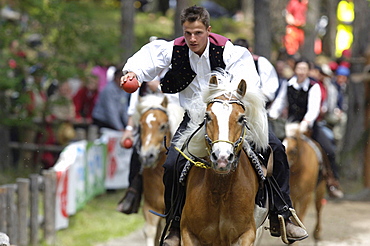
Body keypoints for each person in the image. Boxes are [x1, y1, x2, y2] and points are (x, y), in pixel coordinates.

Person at [120, 6, 308, 245]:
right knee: (170, 166)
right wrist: (132, 73)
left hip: (231, 112)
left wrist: (225, 99)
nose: (192, 39)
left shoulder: (230, 51)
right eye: (187, 33)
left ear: (209, 30)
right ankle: (175, 224)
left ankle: (282, 213)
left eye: (198, 32)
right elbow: (148, 57)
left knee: (277, 149)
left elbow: (247, 83)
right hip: (195, 117)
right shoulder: (175, 49)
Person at [269, 59, 344, 199]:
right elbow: (280, 101)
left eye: (304, 68)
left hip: (308, 126)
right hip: (289, 126)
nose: (301, 71)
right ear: (295, 69)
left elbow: (313, 108)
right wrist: (272, 114)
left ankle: (332, 181)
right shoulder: (288, 84)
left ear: (308, 71)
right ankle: (269, 181)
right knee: (273, 148)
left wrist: (306, 122)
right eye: (299, 68)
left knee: (329, 150)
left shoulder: (313, 86)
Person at [92, 68, 131, 132]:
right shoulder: (109, 90)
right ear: (116, 78)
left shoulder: (124, 90)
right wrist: (120, 128)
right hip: (102, 121)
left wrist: (129, 126)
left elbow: (124, 110)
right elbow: (111, 111)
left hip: (115, 120)